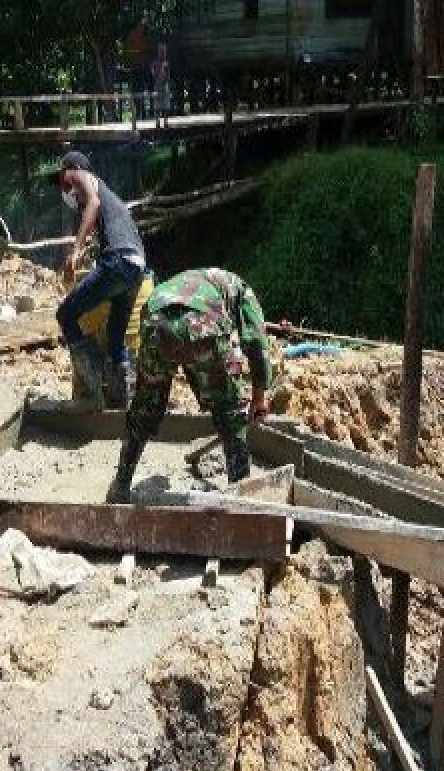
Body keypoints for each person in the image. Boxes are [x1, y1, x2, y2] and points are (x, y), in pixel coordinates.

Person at [107, 267, 271, 503]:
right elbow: (255, 341)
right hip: (204, 326)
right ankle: (241, 498)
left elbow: (177, 339)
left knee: (145, 409)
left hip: (154, 323)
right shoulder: (242, 290)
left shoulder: (181, 282)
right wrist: (259, 395)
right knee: (230, 411)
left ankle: (121, 485)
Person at [55, 151, 150, 410]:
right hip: (137, 267)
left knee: (65, 314)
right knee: (116, 336)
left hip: (118, 261)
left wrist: (75, 251)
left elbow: (93, 203)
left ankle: (90, 393)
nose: (65, 186)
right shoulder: (113, 201)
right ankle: (121, 402)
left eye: (64, 180)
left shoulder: (80, 174)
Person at [151, 42, 172, 124]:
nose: (163, 53)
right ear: (158, 52)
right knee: (157, 105)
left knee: (166, 105)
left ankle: (166, 122)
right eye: (161, 51)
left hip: (165, 85)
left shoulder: (166, 63)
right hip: (157, 85)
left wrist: (166, 81)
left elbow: (168, 75)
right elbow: (154, 75)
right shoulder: (155, 63)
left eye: (164, 51)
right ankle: (157, 122)